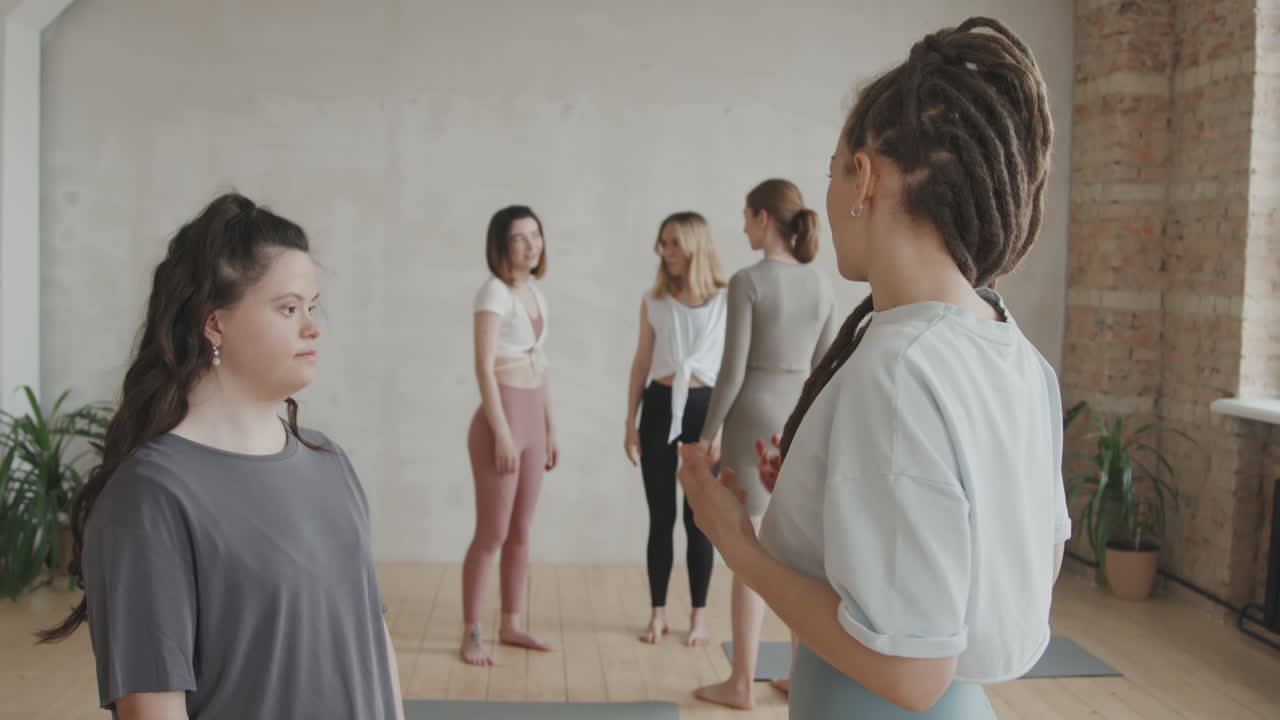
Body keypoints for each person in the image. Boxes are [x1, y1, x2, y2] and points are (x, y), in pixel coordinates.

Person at [678, 17, 1066, 718]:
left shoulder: (896, 370)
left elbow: (912, 673)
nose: (828, 196)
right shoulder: (1016, 354)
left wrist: (740, 546)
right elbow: (997, 551)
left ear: (863, 178)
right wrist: (827, 497)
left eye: (832, 171)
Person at [36, 193, 405, 720]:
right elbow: (153, 708)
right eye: (287, 307)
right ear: (214, 324)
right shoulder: (148, 498)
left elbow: (372, 637)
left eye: (311, 306)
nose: (312, 326)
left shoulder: (328, 461)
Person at [693, 179, 835, 709]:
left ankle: (740, 682)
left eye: (746, 217)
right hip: (797, 417)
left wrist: (706, 436)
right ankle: (801, 675)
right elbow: (825, 370)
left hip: (752, 415)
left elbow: (730, 373)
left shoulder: (749, 281)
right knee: (796, 550)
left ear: (763, 219)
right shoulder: (820, 284)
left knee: (749, 550)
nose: (742, 227)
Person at [461, 205, 559, 666]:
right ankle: (472, 631)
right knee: (492, 534)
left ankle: (512, 623)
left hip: (532, 424)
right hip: (500, 426)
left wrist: (549, 430)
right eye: (519, 238)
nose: (530, 244)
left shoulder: (536, 293)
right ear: (502, 246)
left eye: (535, 235)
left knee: (521, 532)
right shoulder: (493, 293)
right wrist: (502, 433)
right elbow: (483, 366)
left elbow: (540, 368)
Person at [624, 211, 727, 647]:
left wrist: (721, 428)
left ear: (694, 245)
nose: (665, 252)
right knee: (661, 516)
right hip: (661, 407)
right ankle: (658, 613)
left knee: (699, 519)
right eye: (662, 243)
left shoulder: (726, 299)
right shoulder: (654, 301)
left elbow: (732, 371)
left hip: (705, 409)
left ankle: (699, 616)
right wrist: (629, 421)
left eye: (673, 243)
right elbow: (642, 362)